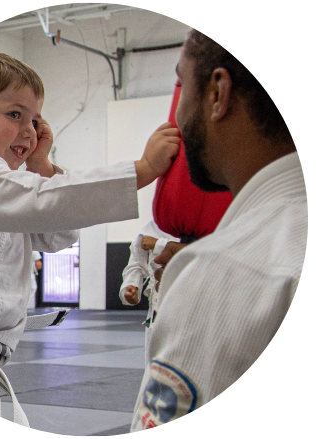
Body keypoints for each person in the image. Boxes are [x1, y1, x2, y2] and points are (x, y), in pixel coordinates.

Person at [0, 51, 181, 426]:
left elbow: (57, 233)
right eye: (15, 115)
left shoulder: (2, 190)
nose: (29, 130)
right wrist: (141, 171)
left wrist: (42, 165)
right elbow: (46, 203)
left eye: (35, 120)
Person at [131, 29, 310, 431]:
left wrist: (202, 275)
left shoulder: (227, 270)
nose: (177, 116)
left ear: (217, 94)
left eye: (182, 84)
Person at [119, 220, 182, 368]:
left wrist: (159, 244)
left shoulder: (201, 222)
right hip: (156, 304)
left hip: (186, 298)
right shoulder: (152, 227)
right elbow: (135, 263)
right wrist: (132, 285)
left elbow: (197, 251)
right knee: (154, 362)